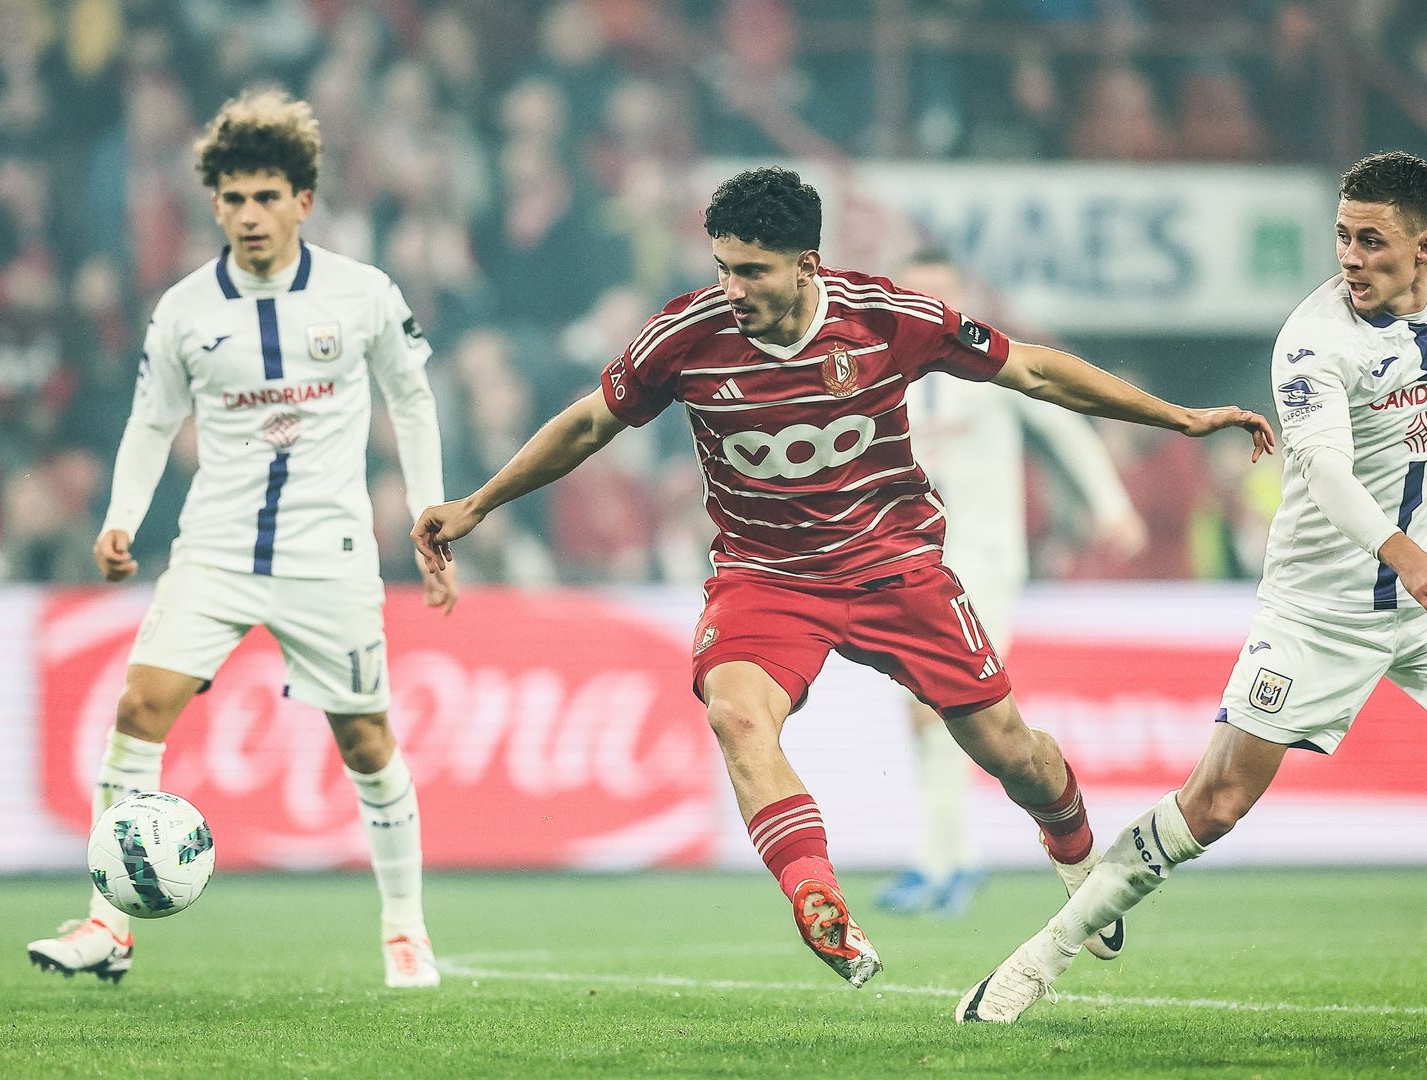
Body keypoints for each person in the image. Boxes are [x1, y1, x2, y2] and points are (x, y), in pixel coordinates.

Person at [411, 167, 1273, 987]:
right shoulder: (684, 334)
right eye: (721, 267)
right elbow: (590, 425)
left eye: (751, 271)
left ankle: (1074, 844)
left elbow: (1035, 369)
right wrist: (480, 503)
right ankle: (815, 896)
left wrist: (1177, 417)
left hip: (896, 567)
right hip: (765, 576)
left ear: (807, 265)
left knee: (1010, 753)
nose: (732, 288)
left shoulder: (887, 317)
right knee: (737, 715)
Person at [957, 151, 1427, 1023]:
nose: (1350, 256)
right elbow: (1322, 467)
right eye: (1342, 237)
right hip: (1323, 611)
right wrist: (1405, 555)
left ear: (1425, 248)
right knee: (1216, 803)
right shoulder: (1315, 339)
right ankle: (1036, 961)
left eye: (1372, 241)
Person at [27, 90, 455, 989]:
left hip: (327, 553)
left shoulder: (364, 293)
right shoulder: (184, 310)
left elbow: (412, 401)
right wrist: (120, 520)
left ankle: (406, 930)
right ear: (213, 205)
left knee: (367, 742)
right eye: (232, 198)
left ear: (304, 199)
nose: (249, 215)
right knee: (139, 709)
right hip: (214, 549)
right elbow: (150, 424)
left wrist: (430, 509)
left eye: (266, 196)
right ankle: (110, 926)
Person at [874, 250, 1146, 917]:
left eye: (940, 291)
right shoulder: (889, 379)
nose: (930, 302)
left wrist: (1110, 505)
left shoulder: (989, 362)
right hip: (915, 568)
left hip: (988, 562)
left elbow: (1066, 424)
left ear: (959, 294)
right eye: (919, 292)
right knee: (922, 714)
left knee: (954, 707)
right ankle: (948, 859)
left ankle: (944, 864)